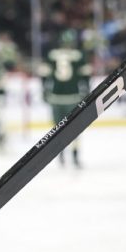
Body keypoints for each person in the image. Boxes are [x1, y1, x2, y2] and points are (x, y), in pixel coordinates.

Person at [38, 29, 92, 168]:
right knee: (74, 129)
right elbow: (86, 75)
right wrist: (86, 90)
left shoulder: (52, 55)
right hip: (73, 97)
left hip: (56, 97)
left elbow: (43, 74)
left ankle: (61, 153)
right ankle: (74, 155)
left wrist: (44, 89)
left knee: (57, 129)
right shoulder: (78, 55)